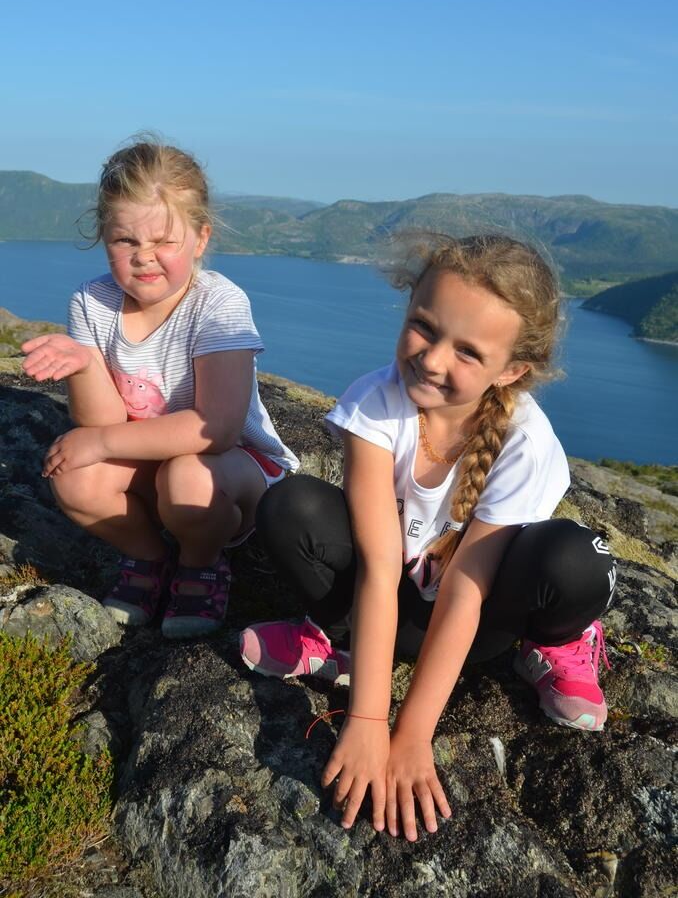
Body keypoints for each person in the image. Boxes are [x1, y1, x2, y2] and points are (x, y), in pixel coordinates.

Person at [239, 232, 616, 841]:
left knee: (576, 561)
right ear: (409, 303)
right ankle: (339, 643)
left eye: (468, 352)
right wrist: (365, 718)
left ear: (512, 370)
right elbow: (380, 564)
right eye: (424, 326)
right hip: (391, 596)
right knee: (289, 504)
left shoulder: (524, 443)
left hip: (479, 624)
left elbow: (467, 592)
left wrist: (411, 736)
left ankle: (556, 644)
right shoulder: (376, 405)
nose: (433, 359)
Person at [22, 139, 298, 638]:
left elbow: (217, 429)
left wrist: (103, 443)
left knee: (187, 475)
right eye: (125, 241)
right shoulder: (92, 301)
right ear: (104, 237)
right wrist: (84, 365)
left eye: (164, 242)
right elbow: (99, 422)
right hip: (155, 462)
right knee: (73, 477)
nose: (144, 258)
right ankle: (149, 559)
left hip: (234, 470)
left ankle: (201, 564)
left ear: (200, 239)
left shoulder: (217, 304)